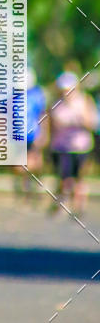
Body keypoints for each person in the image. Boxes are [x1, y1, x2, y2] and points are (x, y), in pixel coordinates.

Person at [49, 71, 97, 215]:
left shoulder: (84, 101)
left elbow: (92, 123)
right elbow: (51, 125)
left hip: (81, 147)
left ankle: (79, 207)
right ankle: (62, 203)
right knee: (65, 178)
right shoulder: (56, 104)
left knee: (79, 178)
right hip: (62, 147)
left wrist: (80, 121)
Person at [14, 69, 47, 198]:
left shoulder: (37, 96)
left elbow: (42, 115)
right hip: (19, 137)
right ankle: (25, 189)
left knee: (35, 163)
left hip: (34, 135)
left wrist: (43, 134)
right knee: (20, 166)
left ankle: (34, 186)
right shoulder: (13, 97)